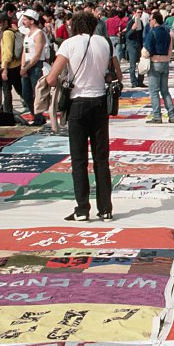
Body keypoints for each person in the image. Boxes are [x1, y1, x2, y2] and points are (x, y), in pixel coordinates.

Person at [46, 11, 117, 222]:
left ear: (74, 26)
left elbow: (51, 78)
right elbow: (116, 75)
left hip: (78, 103)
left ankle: (82, 208)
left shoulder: (68, 44)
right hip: (100, 102)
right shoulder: (105, 43)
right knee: (101, 159)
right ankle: (105, 208)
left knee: (79, 159)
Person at [143, 10, 174, 123]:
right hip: (165, 62)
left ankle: (157, 116)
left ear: (155, 20)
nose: (149, 22)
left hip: (155, 62)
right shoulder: (167, 33)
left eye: (150, 20)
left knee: (154, 91)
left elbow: (147, 49)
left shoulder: (152, 33)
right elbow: (170, 49)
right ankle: (172, 115)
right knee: (165, 90)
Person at [19, 9, 48, 125]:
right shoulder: (27, 34)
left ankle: (38, 117)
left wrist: (25, 68)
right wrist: (23, 66)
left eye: (26, 19)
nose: (24, 21)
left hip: (36, 66)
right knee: (26, 94)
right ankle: (35, 115)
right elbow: (24, 52)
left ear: (32, 21)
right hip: (27, 64)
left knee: (37, 93)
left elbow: (37, 55)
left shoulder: (39, 34)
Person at [125, 6, 146, 88]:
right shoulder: (131, 22)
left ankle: (140, 81)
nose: (140, 14)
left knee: (141, 65)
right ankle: (133, 82)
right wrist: (132, 29)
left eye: (141, 12)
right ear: (134, 13)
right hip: (132, 45)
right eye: (138, 12)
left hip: (139, 45)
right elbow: (127, 35)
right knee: (133, 65)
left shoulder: (140, 22)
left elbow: (141, 35)